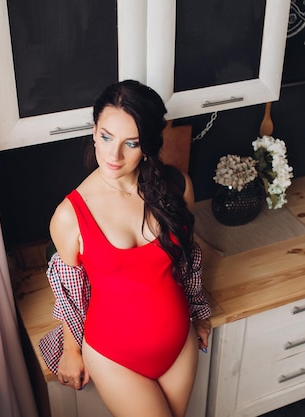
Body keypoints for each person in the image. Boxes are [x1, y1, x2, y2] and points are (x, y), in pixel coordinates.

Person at [40, 79, 211, 417]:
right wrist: (72, 350)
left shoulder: (177, 188)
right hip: (115, 355)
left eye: (130, 143)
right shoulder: (69, 216)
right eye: (106, 137)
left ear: (147, 145)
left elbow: (188, 262)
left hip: (179, 343)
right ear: (93, 131)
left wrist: (200, 314)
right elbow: (71, 294)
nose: (114, 155)